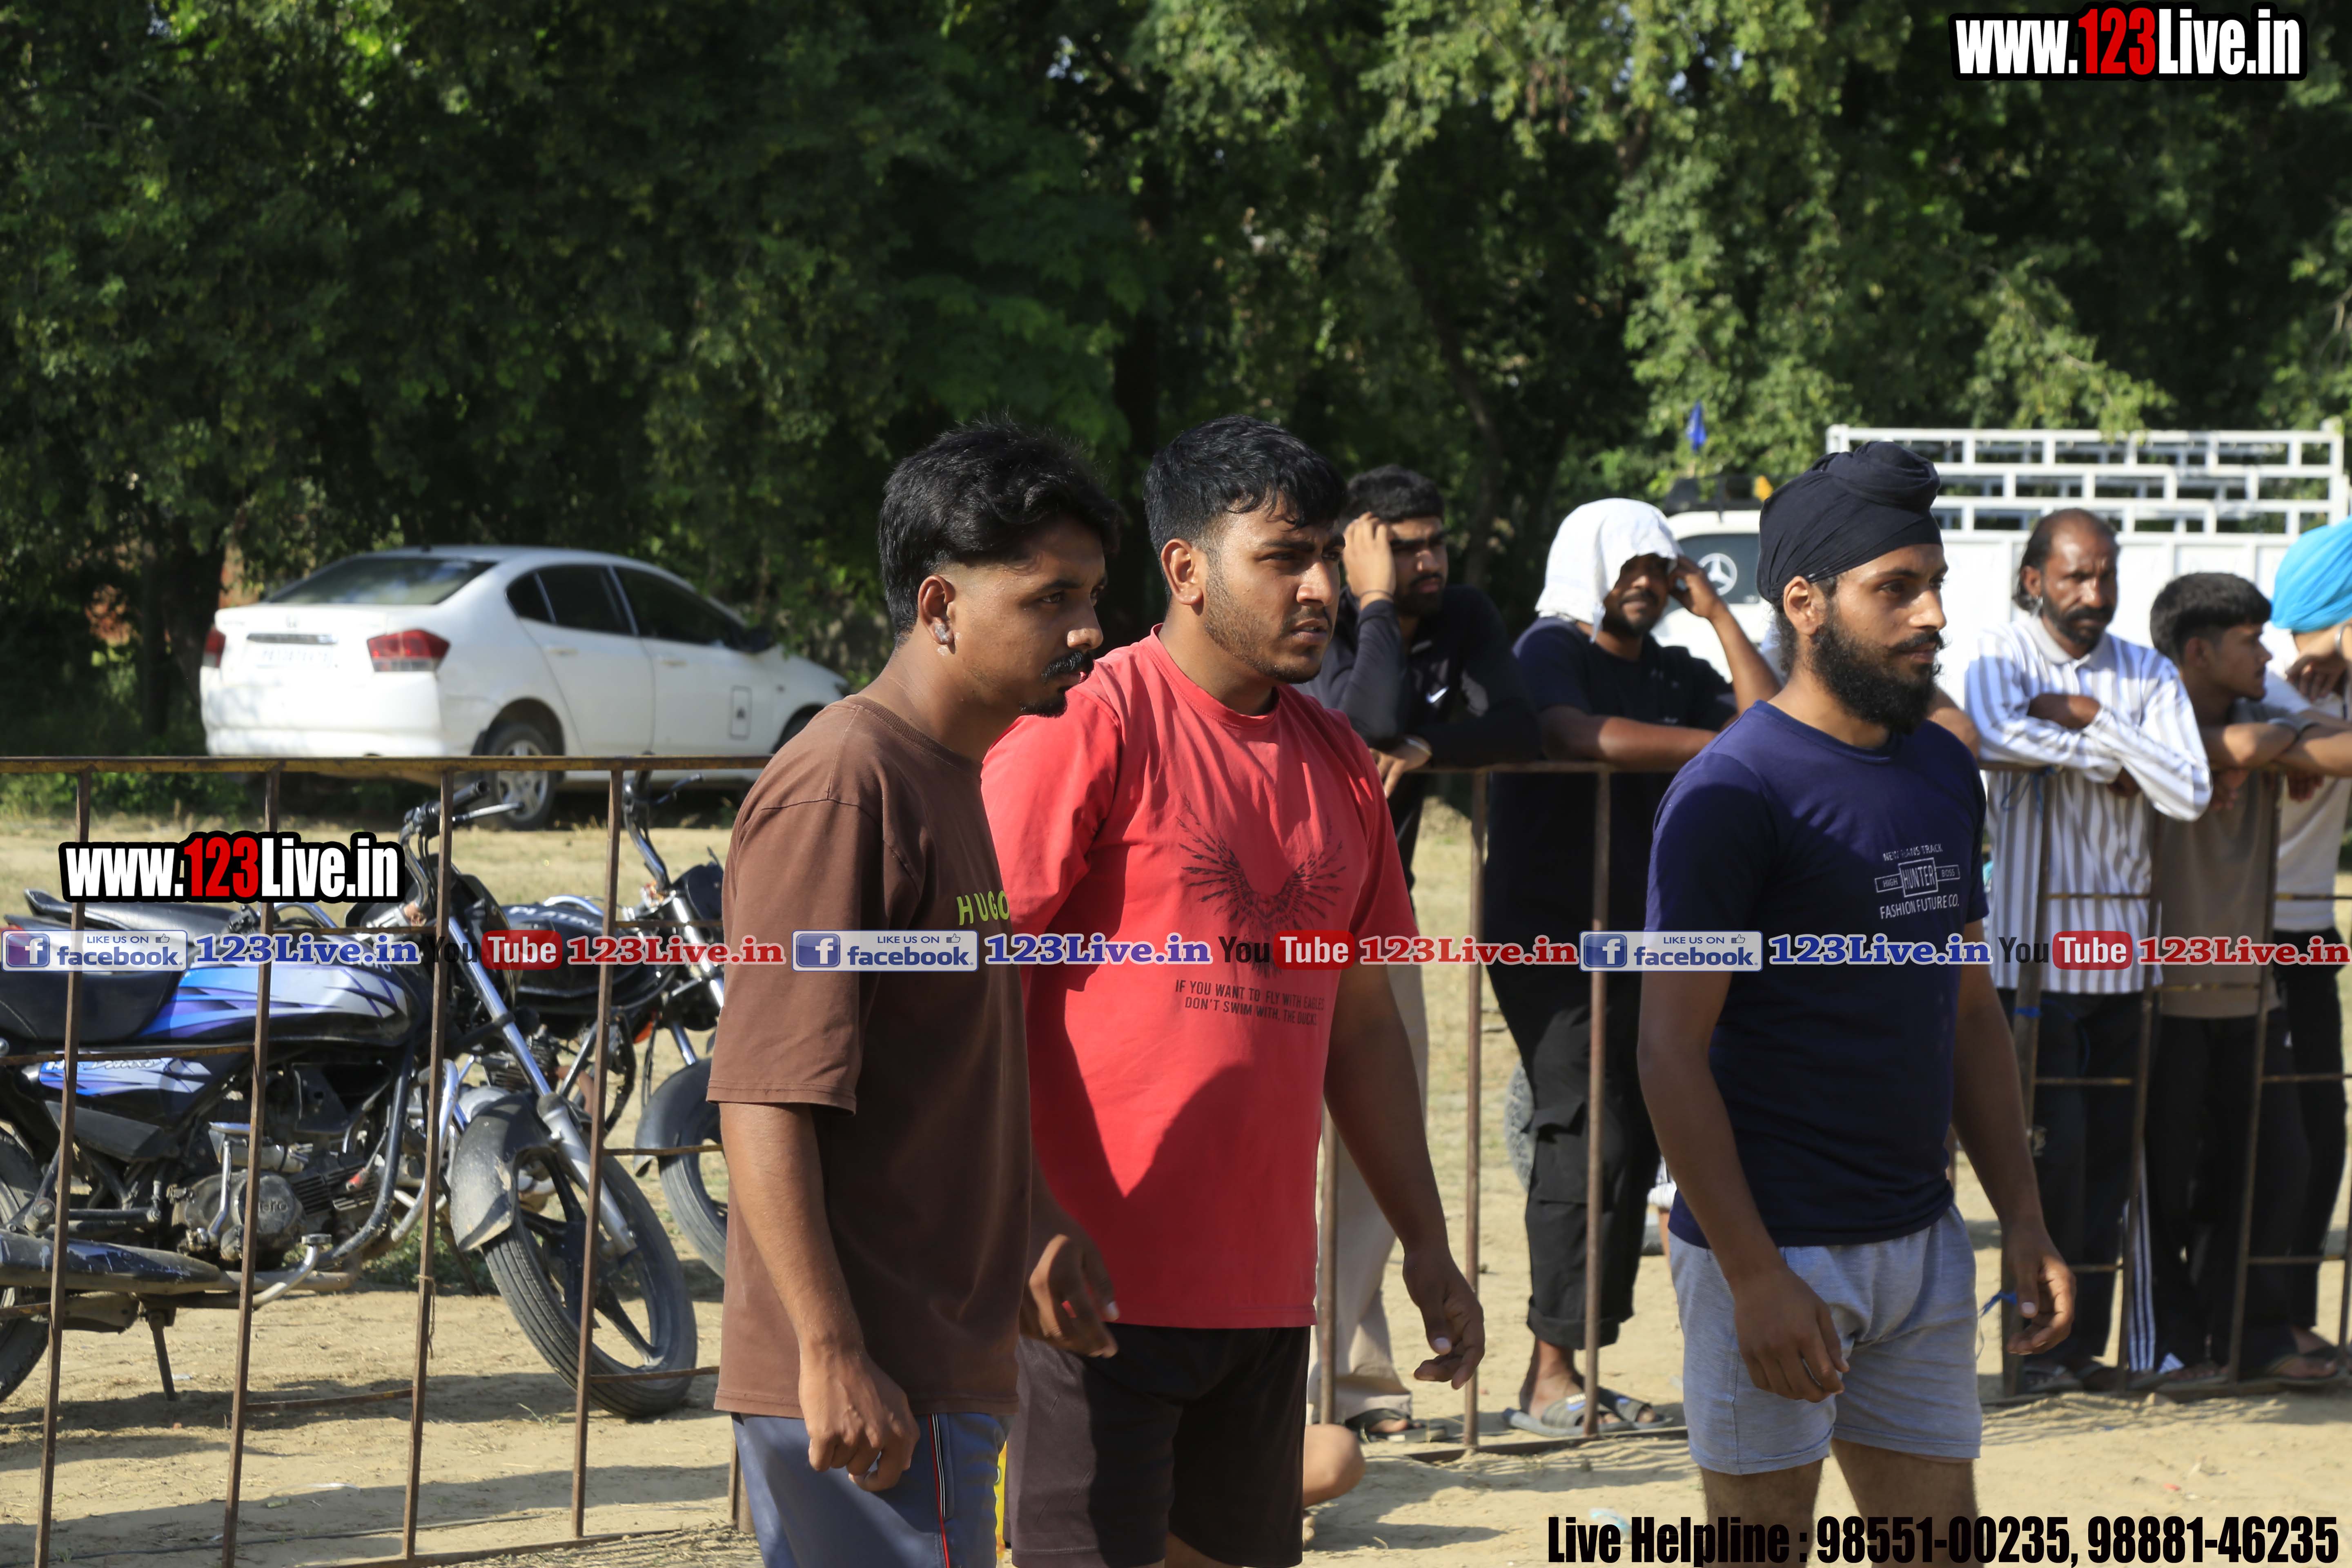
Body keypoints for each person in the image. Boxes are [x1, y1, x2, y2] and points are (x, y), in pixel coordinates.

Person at [982, 415, 1484, 1568]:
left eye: (1328, 558)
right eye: (1284, 558)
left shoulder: (1342, 763)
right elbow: (971, 986)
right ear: (1186, 569)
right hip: (1086, 1290)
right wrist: (1026, 1217)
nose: (1323, 590)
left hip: (1263, 1303)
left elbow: (1362, 1027)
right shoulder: (1087, 725)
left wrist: (1426, 1243)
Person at [708, 423, 1123, 1568]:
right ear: (940, 607)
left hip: (933, 1366)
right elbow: (764, 1095)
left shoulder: (949, 776)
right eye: (1051, 598)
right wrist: (831, 1349)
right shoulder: (848, 786)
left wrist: (1033, 1224)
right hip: (875, 1384)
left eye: (1092, 596)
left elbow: (940, 1062)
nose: (1089, 631)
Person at [1640, 442, 2074, 1528]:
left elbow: (1967, 1007)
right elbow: (1669, 1053)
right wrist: (1752, 1274)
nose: (1934, 615)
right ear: (1807, 604)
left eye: (1937, 585)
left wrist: (2023, 1217)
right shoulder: (1731, 792)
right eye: (1898, 589)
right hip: (1774, 1249)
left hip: (1922, 1247)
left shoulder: (1942, 766)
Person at [1481, 497, 1778, 1434]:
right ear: (1591, 566)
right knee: (1584, 1130)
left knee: (1635, 1142)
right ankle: (1547, 1378)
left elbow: (1769, 720)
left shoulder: (1672, 668)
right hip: (1551, 934)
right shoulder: (1549, 647)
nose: (1647, 583)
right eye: (1631, 567)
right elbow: (1568, 734)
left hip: (1649, 933)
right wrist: (1716, 748)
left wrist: (1716, 613)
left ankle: (1581, 1364)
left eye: (1661, 567)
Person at [1301, 463, 1538, 1438]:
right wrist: (1372, 607)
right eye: (1405, 547)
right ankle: (1284, 1378)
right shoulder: (1323, 613)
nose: (1430, 560)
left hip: (1380, 919)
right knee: (1286, 1154)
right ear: (1358, 549)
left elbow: (1517, 725)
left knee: (1375, 1157)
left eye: (1437, 541)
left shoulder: (1464, 613)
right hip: (1283, 921)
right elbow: (1365, 722)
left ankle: (1352, 1382)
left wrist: (1434, 748)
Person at [1962, 507, 2210, 1393]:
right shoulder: (1997, 652)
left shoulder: (2144, 670)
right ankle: (2030, 1351)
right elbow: (1993, 737)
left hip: (2125, 962)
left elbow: (2188, 788)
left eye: (2105, 574)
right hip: (2029, 959)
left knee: (2109, 1163)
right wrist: (2121, 755)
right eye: (2075, 574)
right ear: (2035, 579)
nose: (2093, 592)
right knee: (2047, 1157)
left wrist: (2093, 721)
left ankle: (2080, 1350)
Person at [2135, 572, 2341, 1388]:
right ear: (2198, 651)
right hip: (2160, 991)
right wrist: (2251, 749)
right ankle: (2173, 1346)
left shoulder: (2265, 709)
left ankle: (2251, 1339)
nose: (2267, 654)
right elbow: (2218, 754)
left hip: (2251, 987)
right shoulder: (2152, 720)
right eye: (2251, 641)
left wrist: (2268, 741)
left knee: (2275, 1166)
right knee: (2167, 1183)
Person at [2261, 521, 2352, 1363]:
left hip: (2311, 936)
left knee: (2325, 1130)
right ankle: (2261, 1322)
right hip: (2247, 939)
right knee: (2278, 1138)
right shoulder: (2268, 690)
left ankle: (2289, 1314)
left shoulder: (2339, 688)